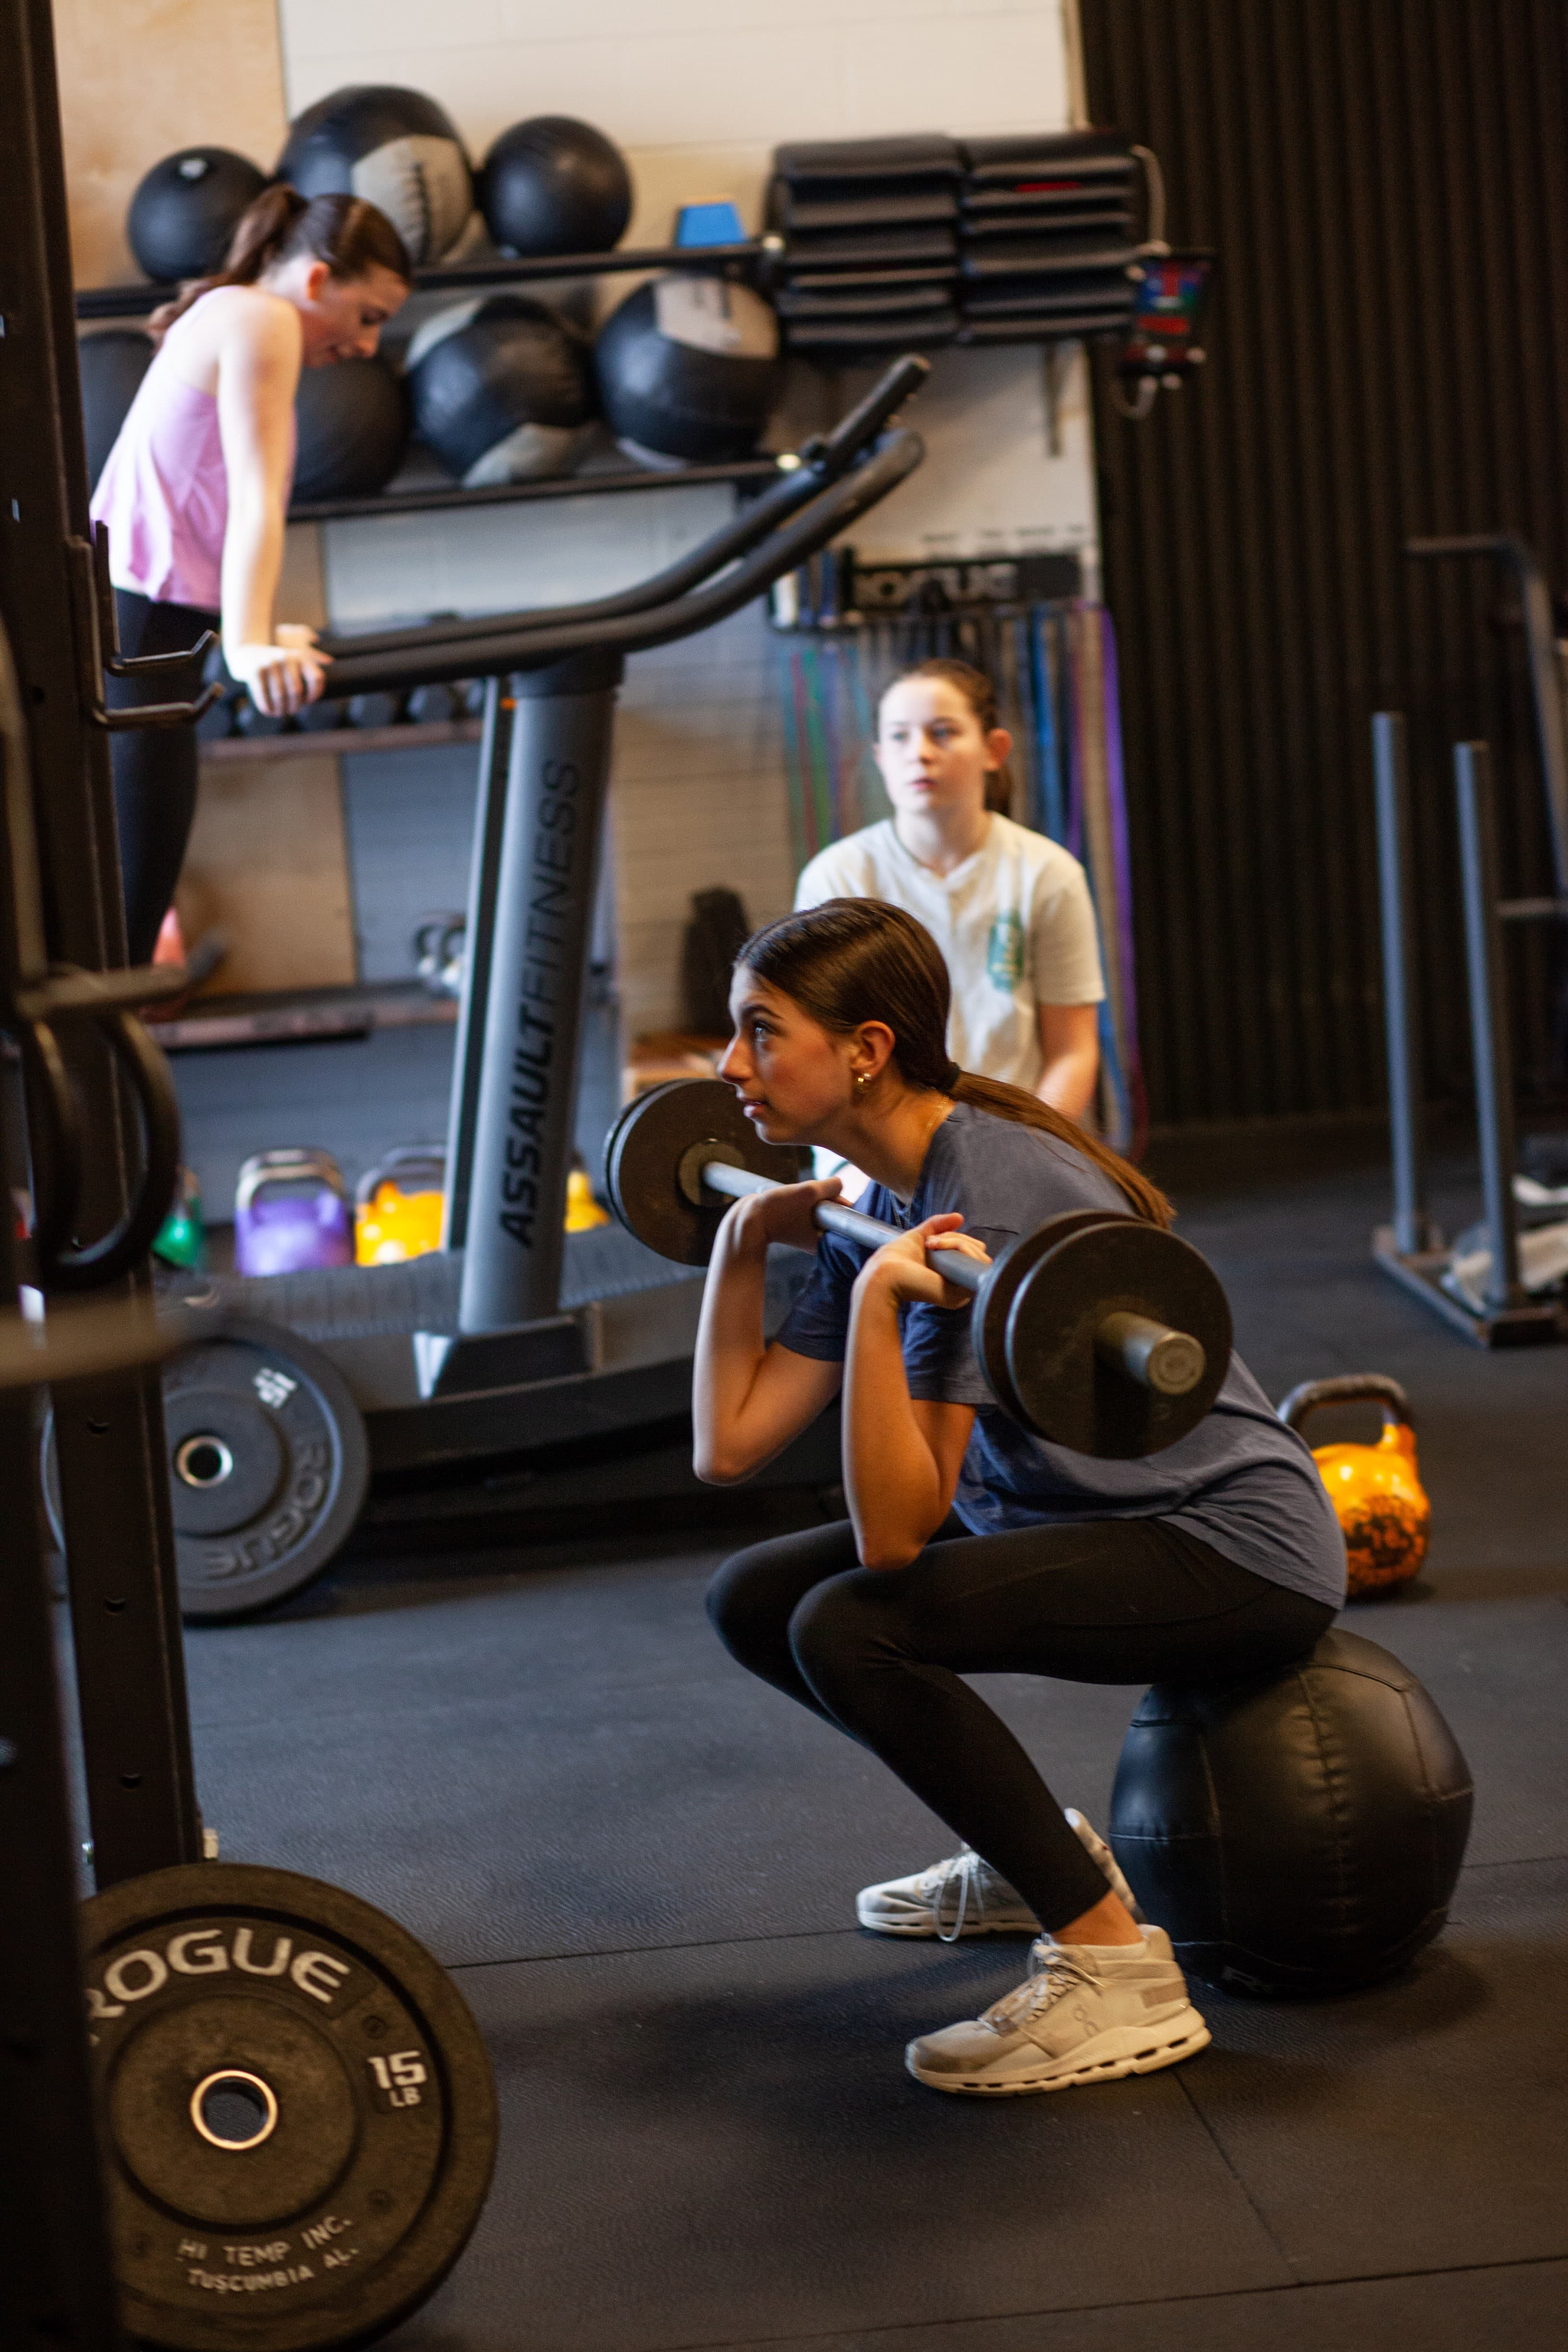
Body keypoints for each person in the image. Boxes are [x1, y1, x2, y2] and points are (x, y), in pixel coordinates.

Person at [698, 898, 1347, 2097]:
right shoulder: (872, 1193)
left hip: (1224, 1541)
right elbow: (728, 1445)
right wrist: (743, 1243)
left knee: (848, 1621)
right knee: (752, 1594)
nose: (728, 1065)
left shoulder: (976, 1194)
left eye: (758, 1031)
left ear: (865, 1048)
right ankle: (1033, 1853)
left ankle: (1112, 1964)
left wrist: (885, 1306)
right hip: (1076, 1512)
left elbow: (894, 1533)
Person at [90, 185, 413, 962]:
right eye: (368, 315)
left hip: (145, 620)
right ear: (315, 281)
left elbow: (206, 502)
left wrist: (254, 630)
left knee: (123, 932)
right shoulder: (261, 318)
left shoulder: (232, 312)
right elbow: (257, 499)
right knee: (122, 938)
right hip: (141, 628)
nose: (369, 346)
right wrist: (245, 648)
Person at [793, 658, 1103, 1120]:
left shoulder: (1047, 873)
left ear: (993, 750)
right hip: (868, 1135)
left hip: (1009, 1133)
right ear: (880, 758)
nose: (919, 752)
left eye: (942, 732)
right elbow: (820, 1045)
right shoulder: (838, 877)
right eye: (899, 736)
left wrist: (1034, 1150)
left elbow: (1071, 1052)